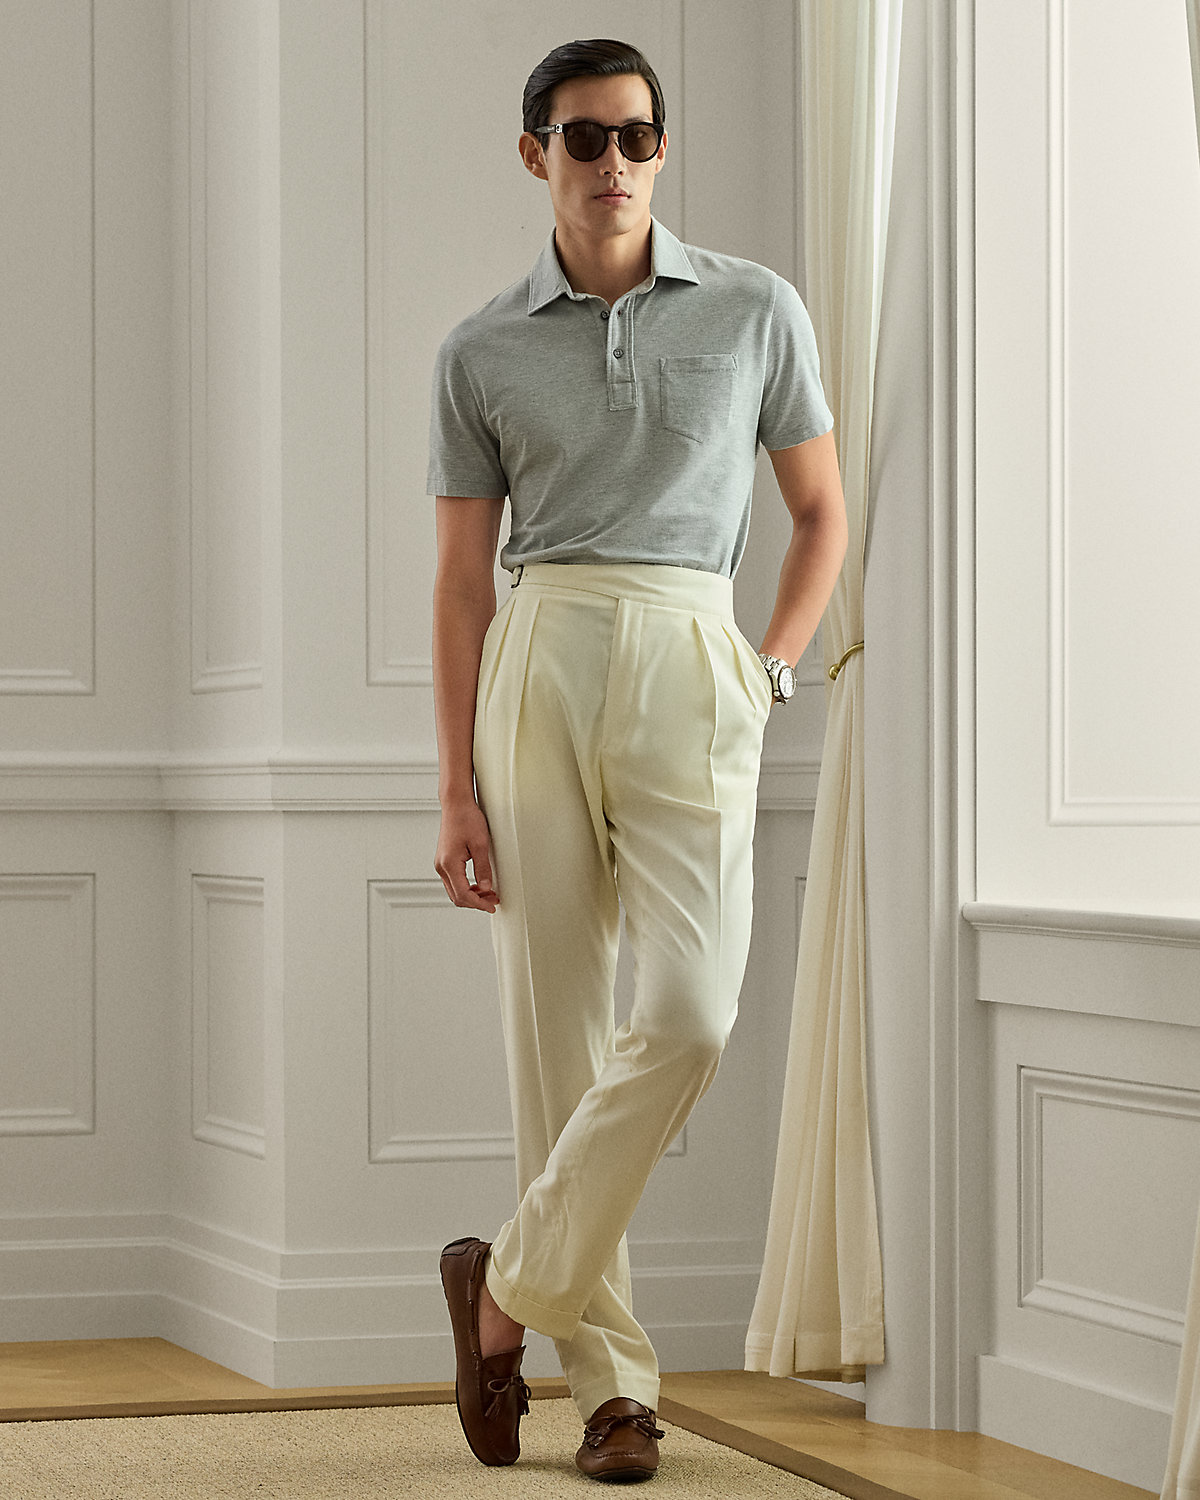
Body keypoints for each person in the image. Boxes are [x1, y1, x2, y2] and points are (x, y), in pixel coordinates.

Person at [430, 37, 846, 1483]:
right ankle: (613, 1389)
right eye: (584, 137)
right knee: (554, 1039)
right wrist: (452, 785)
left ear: (661, 149)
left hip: (694, 657)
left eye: (636, 136)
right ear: (534, 153)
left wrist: (768, 666)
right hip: (539, 654)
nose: (614, 162)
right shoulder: (480, 349)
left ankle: (504, 1294)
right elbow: (461, 585)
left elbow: (820, 513)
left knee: (689, 1013)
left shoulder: (754, 308)